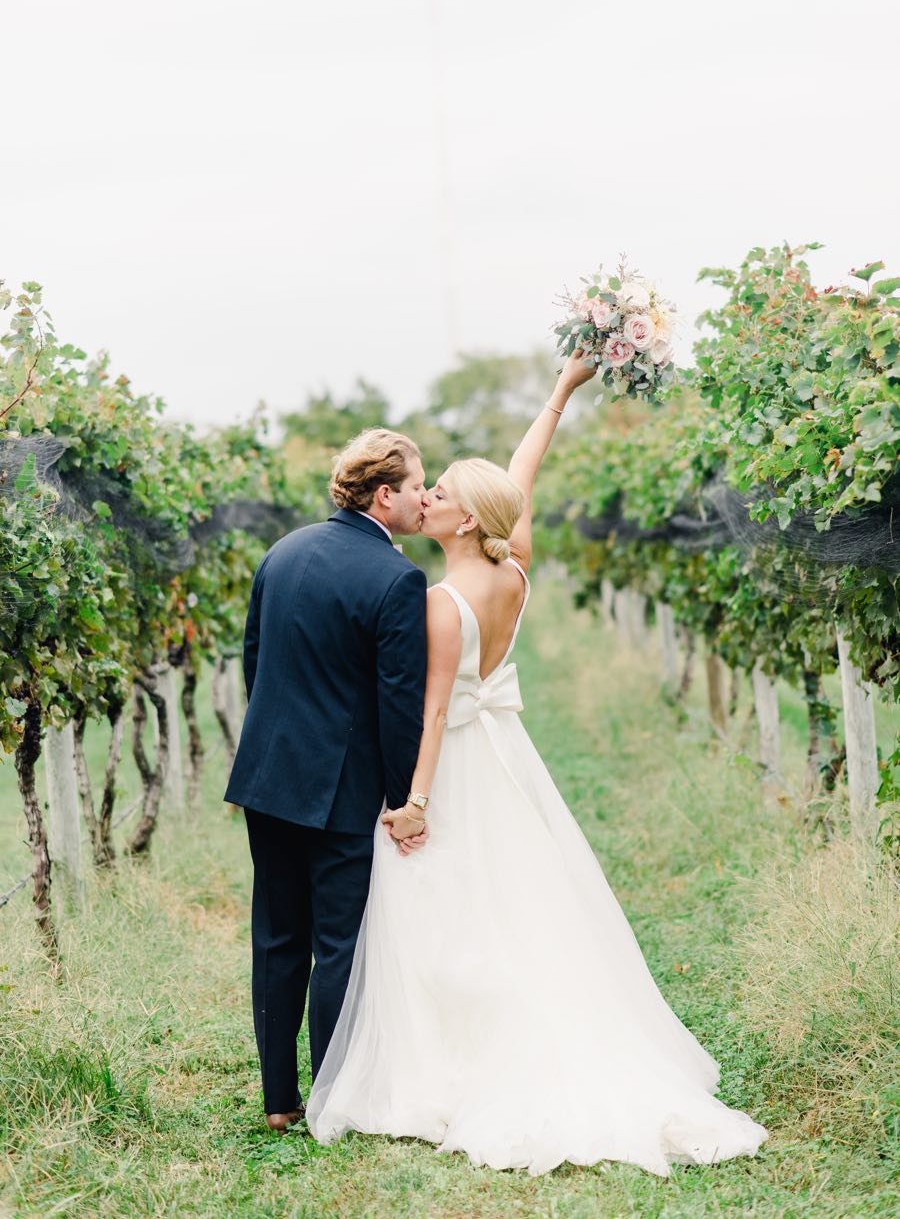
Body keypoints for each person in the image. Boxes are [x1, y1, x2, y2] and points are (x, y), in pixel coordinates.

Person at [306, 356, 768, 1177]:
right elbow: (518, 484)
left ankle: (448, 1062)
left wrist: (412, 802)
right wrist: (559, 395)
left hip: (456, 763)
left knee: (440, 897)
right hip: (507, 757)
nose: (429, 497)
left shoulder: (441, 604)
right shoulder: (511, 569)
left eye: (441, 492)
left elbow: (437, 712)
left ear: (456, 524)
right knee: (515, 891)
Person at [225, 428, 431, 1132]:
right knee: (338, 941)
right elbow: (400, 703)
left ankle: (279, 1100)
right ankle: (332, 1098)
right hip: (341, 787)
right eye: (415, 487)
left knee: (278, 935)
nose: (423, 497)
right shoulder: (397, 578)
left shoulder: (281, 551)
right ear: (384, 494)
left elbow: (254, 660)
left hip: (266, 775)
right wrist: (406, 798)